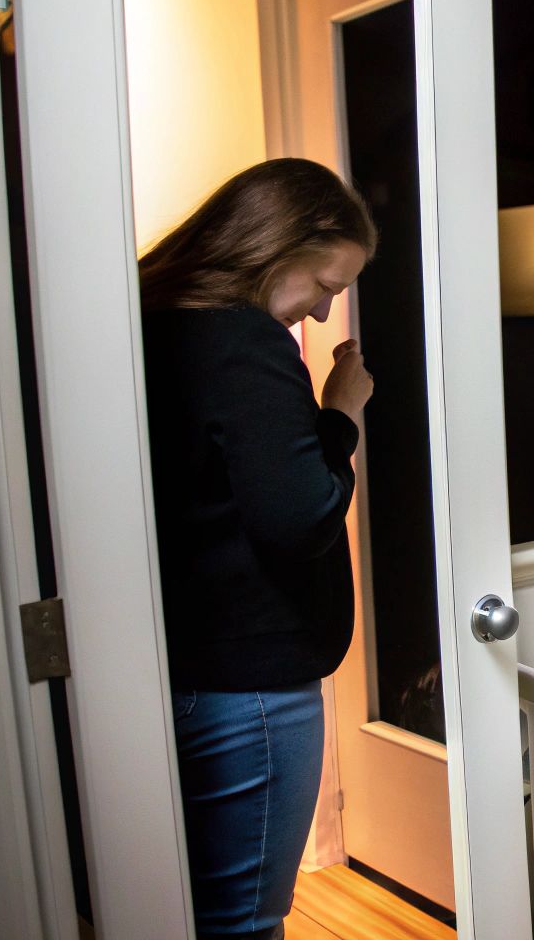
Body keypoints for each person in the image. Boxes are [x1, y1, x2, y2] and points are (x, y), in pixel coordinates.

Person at [140, 158, 377, 940]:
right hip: (250, 683)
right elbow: (303, 516)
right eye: (325, 283)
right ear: (279, 245)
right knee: (244, 920)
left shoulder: (153, 321)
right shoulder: (243, 340)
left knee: (193, 906)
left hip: (184, 664)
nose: (320, 311)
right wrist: (340, 414)